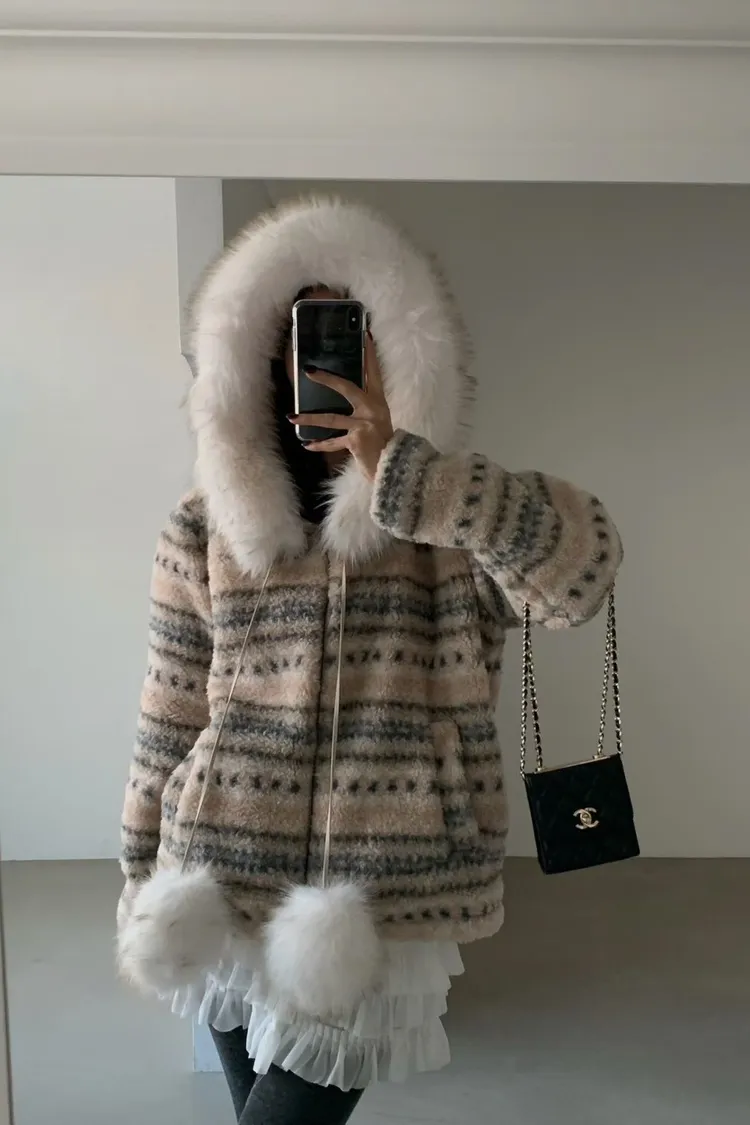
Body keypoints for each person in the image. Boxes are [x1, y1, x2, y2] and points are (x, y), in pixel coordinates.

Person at [116, 198, 622, 1125]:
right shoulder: (204, 526)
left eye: (349, 334)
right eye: (298, 340)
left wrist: (410, 474)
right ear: (258, 361)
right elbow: (170, 708)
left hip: (385, 885)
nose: (322, 361)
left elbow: (581, 574)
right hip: (217, 869)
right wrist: (140, 869)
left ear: (396, 350)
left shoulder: (449, 518)